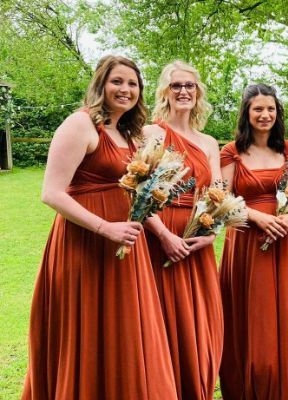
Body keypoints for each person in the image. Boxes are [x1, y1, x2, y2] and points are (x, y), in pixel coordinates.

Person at [21, 55, 177, 399]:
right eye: (117, 81)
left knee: (123, 331)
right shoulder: (80, 125)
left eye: (132, 83)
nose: (125, 89)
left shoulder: (127, 135)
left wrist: (161, 231)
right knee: (88, 329)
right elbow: (51, 192)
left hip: (123, 246)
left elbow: (137, 193)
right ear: (100, 84)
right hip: (85, 244)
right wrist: (105, 227)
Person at [218, 83, 288, 399]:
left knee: (282, 314)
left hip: (283, 240)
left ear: (277, 112)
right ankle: (248, 386)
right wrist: (258, 218)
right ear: (246, 113)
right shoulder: (231, 152)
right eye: (258, 108)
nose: (265, 114)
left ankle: (283, 386)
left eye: (270, 108)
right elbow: (222, 198)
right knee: (251, 316)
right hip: (245, 240)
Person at [142, 60, 223, 400]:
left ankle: (194, 388)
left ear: (198, 92)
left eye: (190, 86)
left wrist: (213, 231)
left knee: (202, 323)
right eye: (176, 86)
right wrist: (163, 235)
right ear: (165, 92)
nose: (184, 91)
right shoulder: (151, 133)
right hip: (159, 234)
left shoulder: (208, 142)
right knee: (161, 318)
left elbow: (218, 190)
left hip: (196, 238)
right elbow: (138, 190)